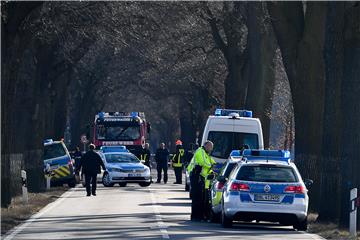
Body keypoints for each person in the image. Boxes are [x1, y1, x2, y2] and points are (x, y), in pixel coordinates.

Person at [188, 141, 216, 221]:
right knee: (197, 198)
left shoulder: (206, 154)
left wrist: (213, 167)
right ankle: (195, 217)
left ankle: (199, 216)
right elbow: (202, 162)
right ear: (206, 146)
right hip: (196, 176)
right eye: (210, 147)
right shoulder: (200, 151)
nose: (211, 149)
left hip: (200, 177)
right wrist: (211, 165)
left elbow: (210, 163)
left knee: (200, 198)